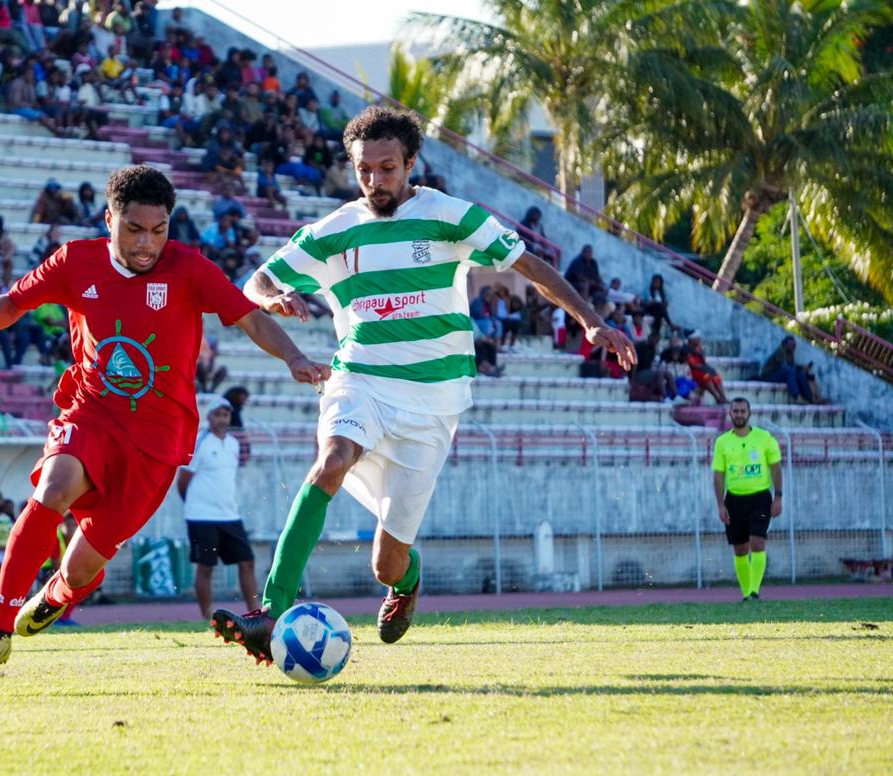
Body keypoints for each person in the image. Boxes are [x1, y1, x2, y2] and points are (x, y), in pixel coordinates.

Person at [212, 106, 637, 665]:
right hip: (360, 379)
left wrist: (591, 321)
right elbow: (258, 279)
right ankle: (271, 611)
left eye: (387, 168)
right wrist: (272, 297)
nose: (375, 180)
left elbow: (529, 265)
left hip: (433, 402)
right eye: (364, 169)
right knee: (330, 462)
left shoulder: (451, 216)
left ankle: (407, 579)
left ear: (411, 162)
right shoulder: (335, 230)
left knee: (386, 564)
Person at [0, 164, 329, 679]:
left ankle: (60, 592)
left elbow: (249, 317)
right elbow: (14, 302)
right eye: (134, 229)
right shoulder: (75, 262)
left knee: (81, 566)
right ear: (110, 220)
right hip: (92, 413)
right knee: (52, 490)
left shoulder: (189, 268)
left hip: (158, 442)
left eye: (158, 230)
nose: (147, 244)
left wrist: (294, 358)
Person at [178, 398, 259, 619]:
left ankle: (255, 612)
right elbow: (183, 481)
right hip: (201, 516)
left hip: (230, 515)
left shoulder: (233, 444)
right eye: (218, 415)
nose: (222, 419)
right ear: (209, 417)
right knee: (205, 567)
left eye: (226, 415)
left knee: (247, 562)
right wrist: (194, 505)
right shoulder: (199, 442)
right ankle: (207, 616)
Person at [713, 398, 783, 601]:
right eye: (735, 411)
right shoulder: (722, 442)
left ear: (749, 414)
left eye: (743, 411)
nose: (739, 415)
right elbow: (718, 475)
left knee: (758, 542)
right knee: (740, 548)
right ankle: (746, 595)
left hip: (760, 498)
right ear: (730, 414)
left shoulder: (764, 438)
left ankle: (754, 591)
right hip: (734, 499)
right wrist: (720, 504)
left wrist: (778, 497)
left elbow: (776, 468)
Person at [758, 335, 816, 404]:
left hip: (779, 374)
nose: (793, 346)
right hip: (768, 376)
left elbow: (793, 366)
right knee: (789, 372)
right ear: (785, 344)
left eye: (794, 345)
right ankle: (796, 397)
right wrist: (798, 369)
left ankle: (810, 398)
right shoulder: (780, 350)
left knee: (801, 374)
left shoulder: (790, 352)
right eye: (791, 344)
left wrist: (803, 368)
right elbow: (785, 367)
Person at [684, 332, 729, 404]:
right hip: (692, 372)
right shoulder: (686, 349)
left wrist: (702, 355)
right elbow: (692, 364)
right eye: (697, 339)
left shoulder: (698, 349)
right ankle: (717, 398)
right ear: (691, 340)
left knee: (716, 376)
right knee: (706, 377)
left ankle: (724, 397)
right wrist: (704, 367)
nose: (699, 340)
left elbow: (703, 361)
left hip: (701, 370)